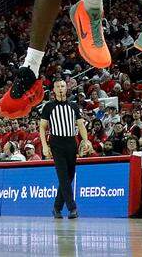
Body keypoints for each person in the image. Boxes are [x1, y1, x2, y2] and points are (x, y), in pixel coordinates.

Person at [39, 78, 90, 219]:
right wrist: (44, 146)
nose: (61, 88)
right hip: (56, 143)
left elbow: (80, 125)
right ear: (53, 90)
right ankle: (72, 208)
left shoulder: (73, 106)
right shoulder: (48, 106)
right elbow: (42, 128)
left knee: (69, 176)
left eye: (62, 86)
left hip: (71, 142)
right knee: (63, 176)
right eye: (58, 86)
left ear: (66, 88)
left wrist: (86, 141)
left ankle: (56, 207)